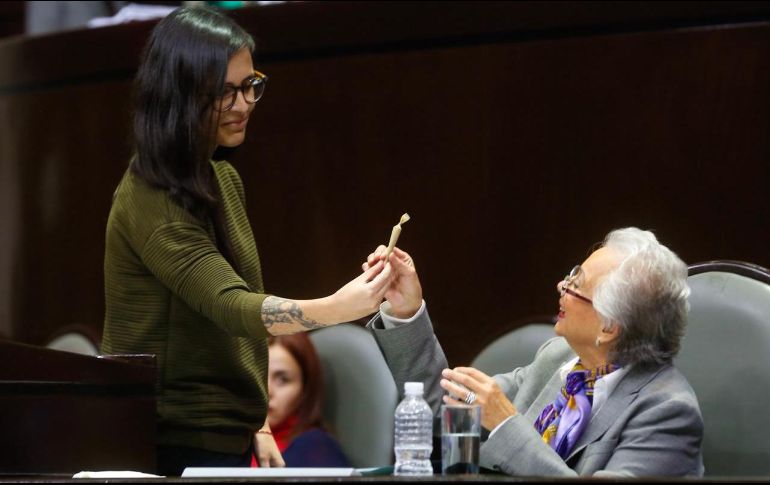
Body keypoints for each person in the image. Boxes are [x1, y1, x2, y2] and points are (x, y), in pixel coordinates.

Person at [101, 6, 391, 476]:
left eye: (249, 84)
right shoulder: (148, 195)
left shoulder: (223, 179)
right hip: (163, 444)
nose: (244, 104)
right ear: (180, 95)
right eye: (225, 92)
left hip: (222, 436)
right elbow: (233, 306)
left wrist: (255, 423)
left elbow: (236, 331)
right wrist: (340, 306)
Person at [364, 228, 704, 477]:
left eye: (577, 284)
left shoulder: (666, 412)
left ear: (608, 328)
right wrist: (406, 311)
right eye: (572, 273)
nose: (562, 286)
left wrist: (508, 425)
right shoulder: (557, 360)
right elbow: (448, 406)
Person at [249, 334, 350, 467]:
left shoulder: (315, 447)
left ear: (305, 390)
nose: (267, 391)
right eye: (258, 375)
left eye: (282, 380)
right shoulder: (227, 440)